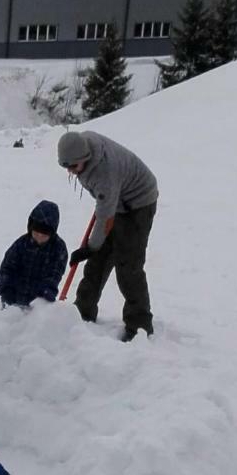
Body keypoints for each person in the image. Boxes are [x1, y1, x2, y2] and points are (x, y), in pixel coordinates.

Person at [57, 130, 158, 342]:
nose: (71, 172)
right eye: (66, 167)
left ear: (85, 159)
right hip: (117, 199)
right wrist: (94, 250)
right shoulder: (85, 143)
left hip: (138, 203)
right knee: (98, 261)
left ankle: (139, 324)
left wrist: (90, 246)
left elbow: (105, 217)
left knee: (128, 266)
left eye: (74, 167)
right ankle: (83, 311)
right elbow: (106, 210)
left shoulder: (105, 174)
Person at [0, 199, 69, 308]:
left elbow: (55, 273)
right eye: (36, 231)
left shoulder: (58, 249)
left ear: (52, 233)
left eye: (44, 234)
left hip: (37, 302)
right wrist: (7, 287)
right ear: (30, 227)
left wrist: (47, 290)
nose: (39, 236)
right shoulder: (21, 244)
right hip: (14, 297)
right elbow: (8, 267)